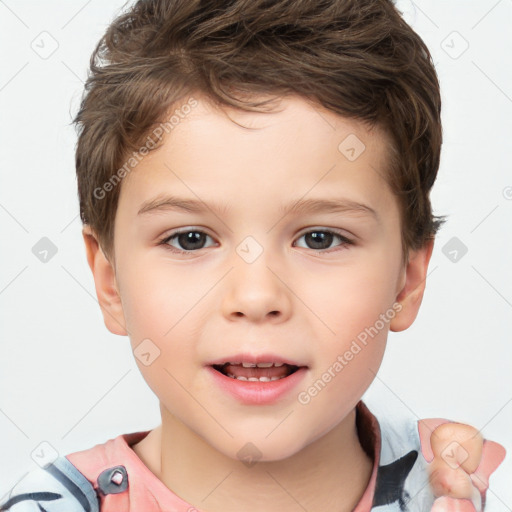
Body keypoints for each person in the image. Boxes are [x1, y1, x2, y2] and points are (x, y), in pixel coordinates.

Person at [0, 1, 505, 511]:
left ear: (407, 280)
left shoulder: (452, 490)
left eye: (320, 238)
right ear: (110, 282)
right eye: (190, 239)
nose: (257, 296)